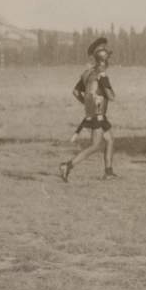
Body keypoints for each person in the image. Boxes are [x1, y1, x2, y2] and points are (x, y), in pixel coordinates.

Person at [60, 37, 117, 182]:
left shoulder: (87, 73)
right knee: (95, 145)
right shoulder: (101, 75)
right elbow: (111, 96)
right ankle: (67, 166)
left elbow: (75, 92)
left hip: (97, 114)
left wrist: (87, 105)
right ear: (103, 60)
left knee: (110, 140)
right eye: (107, 58)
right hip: (98, 115)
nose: (108, 61)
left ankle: (109, 172)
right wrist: (105, 89)